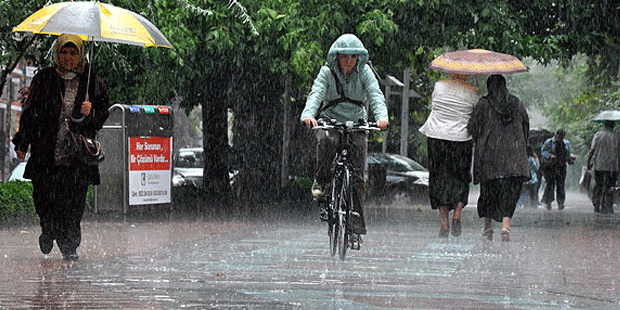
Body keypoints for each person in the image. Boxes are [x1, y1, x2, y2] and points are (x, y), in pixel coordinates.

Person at [12, 34, 110, 261]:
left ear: (80, 55)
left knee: (73, 204)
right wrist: (22, 141)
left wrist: (90, 112)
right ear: (57, 54)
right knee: (44, 198)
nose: (68, 58)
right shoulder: (44, 79)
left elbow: (99, 119)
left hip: (76, 158)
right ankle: (49, 230)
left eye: (73, 53)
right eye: (64, 53)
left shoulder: (91, 83)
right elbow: (30, 112)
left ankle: (70, 246)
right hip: (46, 153)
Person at [300, 33, 389, 250]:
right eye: (344, 57)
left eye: (353, 57)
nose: (349, 61)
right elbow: (316, 94)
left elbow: (376, 95)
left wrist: (381, 117)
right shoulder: (327, 72)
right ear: (336, 57)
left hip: (356, 123)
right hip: (331, 121)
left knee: (357, 176)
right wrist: (308, 115)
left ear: (359, 58)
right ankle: (321, 182)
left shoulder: (365, 72)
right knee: (327, 141)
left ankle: (356, 227)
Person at [467, 74, 529, 242]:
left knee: (488, 191)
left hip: (490, 156)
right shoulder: (518, 104)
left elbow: (472, 127)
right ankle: (505, 226)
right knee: (510, 193)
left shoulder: (483, 104)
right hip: (514, 158)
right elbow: (525, 129)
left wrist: (480, 139)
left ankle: (488, 227)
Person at [419, 73, 479, 238]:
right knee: (460, 177)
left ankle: (444, 221)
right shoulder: (473, 92)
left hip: (437, 137)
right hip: (461, 139)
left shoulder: (439, 86)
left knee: (439, 178)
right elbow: (474, 115)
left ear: (452, 72)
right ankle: (457, 213)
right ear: (466, 74)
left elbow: (435, 107)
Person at [586, 120, 619, 214]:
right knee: (610, 186)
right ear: (613, 126)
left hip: (599, 165)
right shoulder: (616, 136)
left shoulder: (598, 135)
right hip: (612, 166)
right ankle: (608, 205)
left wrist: (588, 162)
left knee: (599, 184)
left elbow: (592, 150)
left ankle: (596, 204)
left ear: (604, 125)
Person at [540, 128, 577, 210]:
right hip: (551, 166)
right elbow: (543, 151)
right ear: (556, 136)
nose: (559, 139)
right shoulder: (549, 142)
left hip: (561, 166)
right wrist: (550, 155)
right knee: (550, 184)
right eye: (558, 137)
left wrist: (572, 156)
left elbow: (568, 153)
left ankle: (560, 203)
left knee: (561, 185)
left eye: (561, 138)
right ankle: (548, 201)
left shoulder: (566, 143)